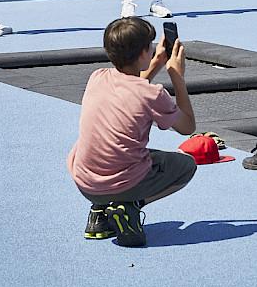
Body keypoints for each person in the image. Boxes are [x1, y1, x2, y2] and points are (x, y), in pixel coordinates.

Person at [67, 17, 197, 247]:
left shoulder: (97, 77)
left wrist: (154, 65)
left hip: (86, 184)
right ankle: (131, 206)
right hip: (124, 183)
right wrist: (178, 77)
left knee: (106, 144)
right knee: (187, 166)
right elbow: (188, 127)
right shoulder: (153, 94)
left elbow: (129, 91)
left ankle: (99, 214)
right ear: (144, 53)